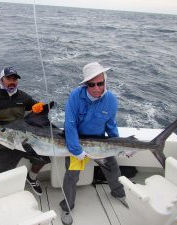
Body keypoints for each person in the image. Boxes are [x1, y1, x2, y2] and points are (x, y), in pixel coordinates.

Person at [59, 62, 126, 225]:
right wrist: (76, 150)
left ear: (105, 81)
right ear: (85, 85)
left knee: (113, 168)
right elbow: (70, 125)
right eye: (92, 84)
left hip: (99, 142)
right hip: (78, 141)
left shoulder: (111, 100)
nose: (97, 88)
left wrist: (117, 145)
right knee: (71, 175)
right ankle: (67, 205)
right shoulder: (75, 96)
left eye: (100, 83)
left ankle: (118, 193)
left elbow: (111, 125)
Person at [0, 66, 50, 195]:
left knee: (43, 157)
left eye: (15, 79)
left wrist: (40, 107)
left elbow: (36, 107)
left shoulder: (23, 96)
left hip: (22, 140)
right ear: (1, 80)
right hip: (0, 143)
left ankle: (31, 177)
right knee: (0, 177)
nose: (12, 81)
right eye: (8, 78)